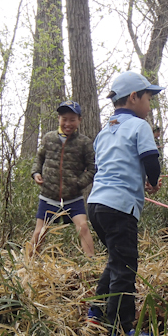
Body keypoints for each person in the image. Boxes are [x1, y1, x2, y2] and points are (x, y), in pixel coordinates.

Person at [87, 71, 163, 336]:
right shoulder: (140, 126)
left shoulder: (104, 131)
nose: (149, 105)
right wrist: (153, 181)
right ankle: (121, 327)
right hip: (120, 207)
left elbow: (100, 167)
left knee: (116, 259)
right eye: (148, 98)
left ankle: (96, 311)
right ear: (133, 97)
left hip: (96, 205)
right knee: (126, 267)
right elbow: (151, 159)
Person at [30, 100, 96, 257]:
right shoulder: (49, 138)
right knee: (40, 231)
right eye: (64, 119)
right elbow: (39, 158)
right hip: (49, 195)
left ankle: (92, 263)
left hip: (73, 197)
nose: (68, 123)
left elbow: (93, 168)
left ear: (79, 120)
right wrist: (35, 173)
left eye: (72, 120)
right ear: (58, 119)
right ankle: (27, 264)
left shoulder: (84, 143)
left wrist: (78, 183)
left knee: (83, 227)